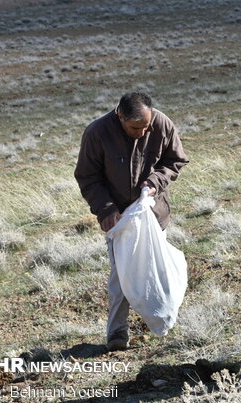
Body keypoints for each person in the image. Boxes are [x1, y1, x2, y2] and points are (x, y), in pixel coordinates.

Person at [75, 92, 189, 351]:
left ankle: (164, 320)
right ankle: (117, 333)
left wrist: (154, 182)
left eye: (147, 126)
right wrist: (106, 210)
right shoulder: (97, 133)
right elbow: (87, 177)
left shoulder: (161, 124)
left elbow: (175, 161)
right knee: (120, 274)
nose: (143, 131)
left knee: (158, 268)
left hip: (153, 214)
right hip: (119, 220)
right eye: (136, 127)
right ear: (120, 116)